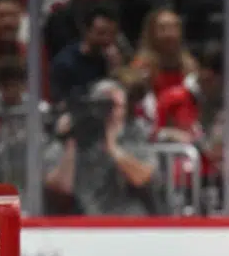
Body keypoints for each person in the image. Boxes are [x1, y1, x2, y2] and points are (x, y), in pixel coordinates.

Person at [44, 78, 158, 215]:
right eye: (104, 105)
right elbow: (61, 188)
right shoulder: (71, 136)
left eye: (116, 106)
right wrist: (72, 141)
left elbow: (141, 178)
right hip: (80, 222)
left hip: (126, 221)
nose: (111, 112)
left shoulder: (133, 134)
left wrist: (112, 147)